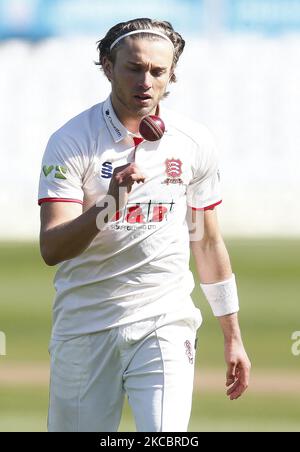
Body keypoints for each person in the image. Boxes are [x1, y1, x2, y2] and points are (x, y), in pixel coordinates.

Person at [38, 18, 251, 432]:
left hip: (164, 320)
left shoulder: (192, 141)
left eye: (158, 71)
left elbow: (206, 242)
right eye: (134, 68)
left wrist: (232, 335)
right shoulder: (71, 140)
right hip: (85, 326)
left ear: (171, 75)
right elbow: (52, 248)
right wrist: (110, 204)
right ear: (107, 65)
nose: (146, 81)